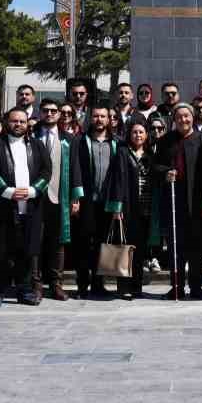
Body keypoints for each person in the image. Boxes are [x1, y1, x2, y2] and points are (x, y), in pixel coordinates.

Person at [0, 106, 50, 306]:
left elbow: (46, 171)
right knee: (1, 251)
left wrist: (34, 190)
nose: (18, 124)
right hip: (3, 206)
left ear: (27, 123)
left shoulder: (37, 145)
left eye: (21, 121)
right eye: (14, 121)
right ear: (6, 122)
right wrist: (8, 191)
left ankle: (25, 291)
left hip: (30, 205)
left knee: (27, 251)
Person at [152, 104, 202, 300]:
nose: (183, 120)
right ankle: (176, 286)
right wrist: (165, 173)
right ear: (174, 120)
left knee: (196, 248)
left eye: (186, 116)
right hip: (173, 201)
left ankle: (196, 287)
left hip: (196, 203)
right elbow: (155, 166)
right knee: (175, 247)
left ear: (193, 118)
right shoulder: (165, 141)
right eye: (179, 117)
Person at [99, 119, 153, 299]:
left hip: (145, 207)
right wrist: (117, 208)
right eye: (135, 132)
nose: (138, 135)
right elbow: (117, 180)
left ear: (146, 135)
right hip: (127, 208)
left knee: (140, 250)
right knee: (125, 248)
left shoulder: (150, 154)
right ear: (130, 135)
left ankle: (137, 287)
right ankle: (123, 287)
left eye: (141, 132)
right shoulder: (122, 152)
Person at [34, 100, 81, 301]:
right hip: (34, 198)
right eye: (46, 111)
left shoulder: (69, 139)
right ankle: (35, 284)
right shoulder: (30, 136)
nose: (50, 114)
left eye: (54, 111)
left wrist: (75, 197)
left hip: (58, 197)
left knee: (58, 242)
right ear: (40, 113)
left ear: (60, 114)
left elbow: (75, 169)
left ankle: (56, 284)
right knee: (35, 241)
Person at [71, 106, 118, 299]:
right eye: (96, 116)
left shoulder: (116, 143)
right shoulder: (81, 141)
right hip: (86, 201)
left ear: (109, 119)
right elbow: (75, 170)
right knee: (83, 243)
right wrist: (76, 198)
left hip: (107, 202)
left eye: (103, 116)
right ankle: (82, 285)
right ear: (91, 119)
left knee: (102, 244)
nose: (99, 119)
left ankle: (99, 284)